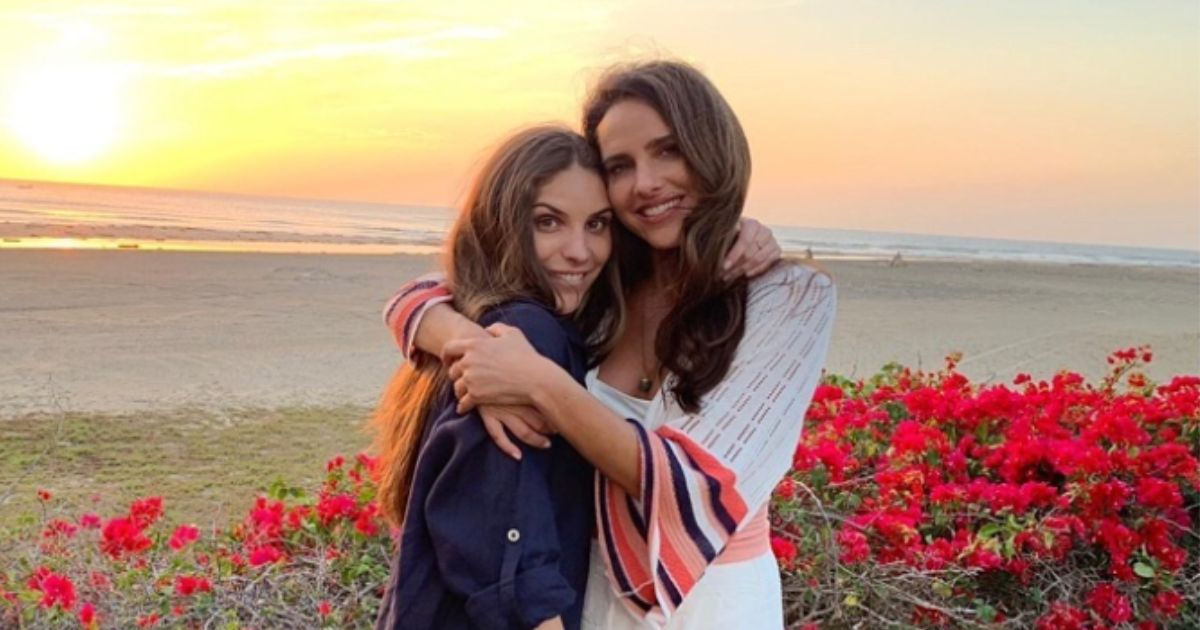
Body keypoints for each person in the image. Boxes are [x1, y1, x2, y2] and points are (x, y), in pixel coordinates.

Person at [384, 60, 837, 629]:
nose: (645, 183)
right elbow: (439, 291)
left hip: (713, 605)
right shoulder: (601, 288)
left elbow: (694, 486)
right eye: (620, 165)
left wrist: (535, 382)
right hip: (589, 589)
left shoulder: (787, 297)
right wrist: (469, 344)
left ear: (713, 148)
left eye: (668, 151)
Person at [372, 126, 623, 630]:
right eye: (548, 222)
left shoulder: (482, 322)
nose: (580, 251)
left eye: (597, 224)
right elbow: (507, 546)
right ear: (500, 224)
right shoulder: (525, 333)